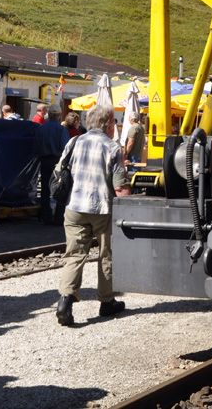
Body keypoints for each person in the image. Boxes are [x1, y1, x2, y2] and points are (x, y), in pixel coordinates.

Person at [55, 104, 129, 326]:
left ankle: (65, 300)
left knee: (75, 254)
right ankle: (107, 301)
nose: (114, 126)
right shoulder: (113, 148)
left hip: (74, 207)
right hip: (102, 209)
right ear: (108, 124)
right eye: (114, 121)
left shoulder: (75, 141)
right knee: (107, 254)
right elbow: (120, 188)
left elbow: (59, 169)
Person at [34, 106, 69, 225]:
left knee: (45, 189)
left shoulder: (41, 129)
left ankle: (46, 216)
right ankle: (59, 217)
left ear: (48, 115)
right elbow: (65, 148)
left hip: (44, 161)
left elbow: (36, 146)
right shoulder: (61, 129)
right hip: (57, 162)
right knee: (60, 188)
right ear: (59, 116)